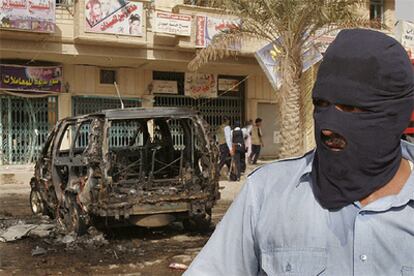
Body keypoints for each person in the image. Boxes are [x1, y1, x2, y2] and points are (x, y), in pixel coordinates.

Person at [184, 29, 414, 275]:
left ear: (394, 114)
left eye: (349, 108)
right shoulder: (266, 192)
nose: (327, 128)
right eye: (322, 105)